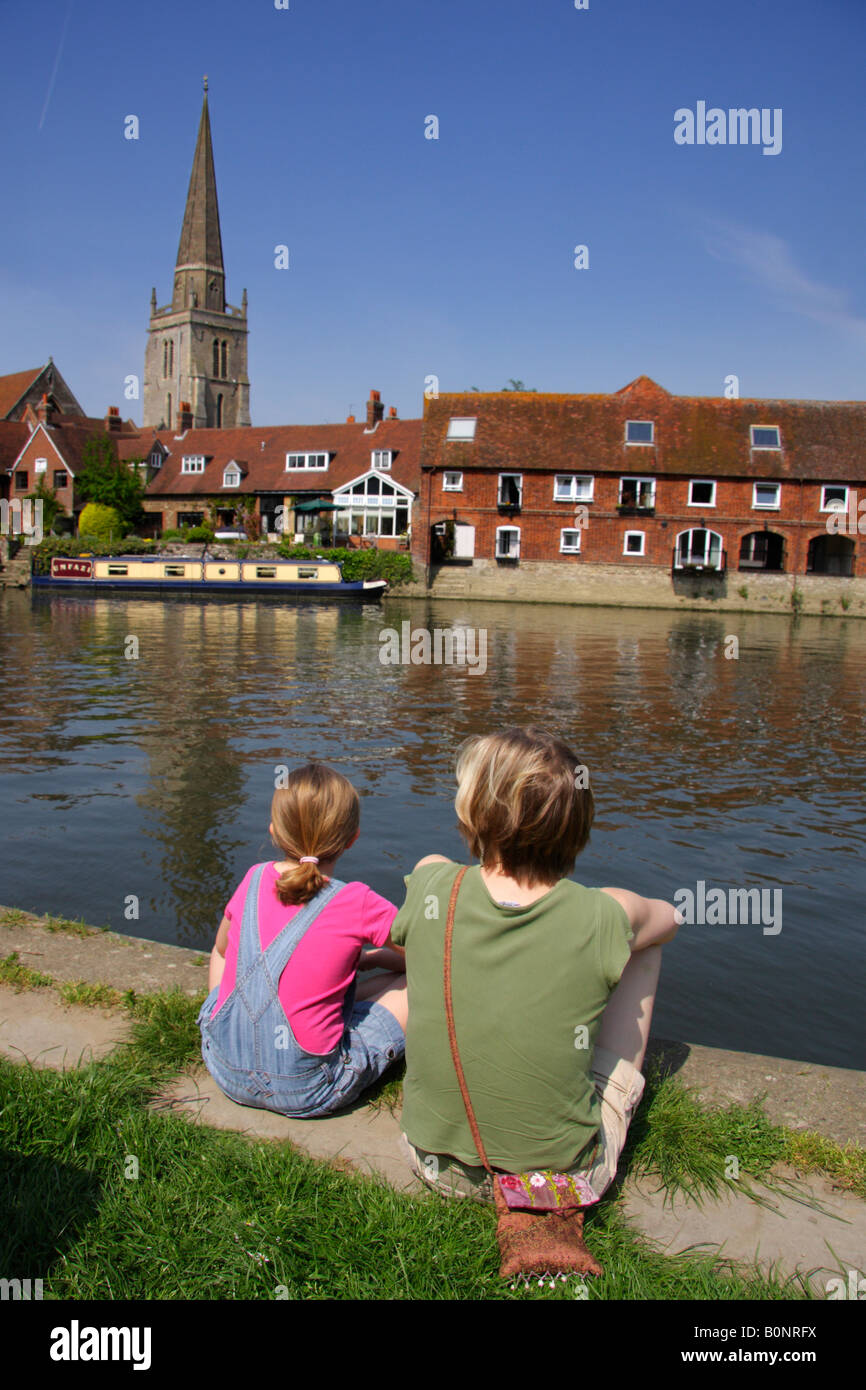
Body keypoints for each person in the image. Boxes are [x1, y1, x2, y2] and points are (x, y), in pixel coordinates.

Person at [390, 726, 681, 1202]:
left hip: (430, 1161)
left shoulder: (432, 885)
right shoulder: (603, 913)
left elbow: (429, 869)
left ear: (474, 812)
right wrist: (614, 908)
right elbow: (672, 919)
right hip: (553, 1184)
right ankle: (606, 1086)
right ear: (576, 823)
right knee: (643, 944)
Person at [198, 762, 407, 1118]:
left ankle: (229, 1031)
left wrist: (367, 962)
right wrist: (373, 958)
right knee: (414, 985)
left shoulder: (253, 878)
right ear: (352, 839)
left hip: (225, 1067)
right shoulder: (357, 901)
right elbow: (430, 958)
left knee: (225, 948)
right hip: (308, 1087)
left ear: (274, 832)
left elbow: (221, 950)